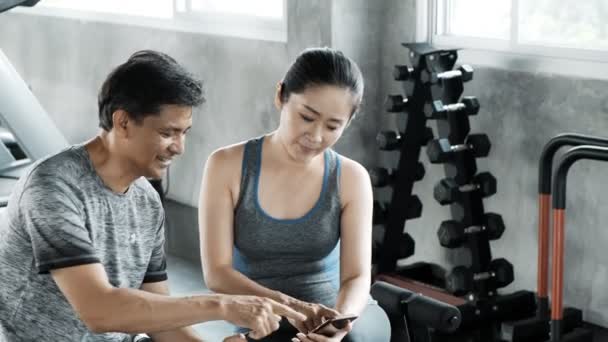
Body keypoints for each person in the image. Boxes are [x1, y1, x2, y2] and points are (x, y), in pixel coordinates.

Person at [0, 50, 305, 342]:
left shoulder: (146, 200)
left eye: (184, 132)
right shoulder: (53, 187)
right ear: (123, 123)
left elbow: (162, 327)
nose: (179, 147)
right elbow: (99, 310)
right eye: (168, 133)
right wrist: (223, 305)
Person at [199, 47, 390, 342]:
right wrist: (292, 308)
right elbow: (218, 274)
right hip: (267, 320)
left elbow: (356, 277)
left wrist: (336, 327)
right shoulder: (226, 166)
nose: (315, 136)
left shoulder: (351, 178)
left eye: (332, 126)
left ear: (348, 122)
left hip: (342, 317)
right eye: (306, 117)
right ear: (281, 96)